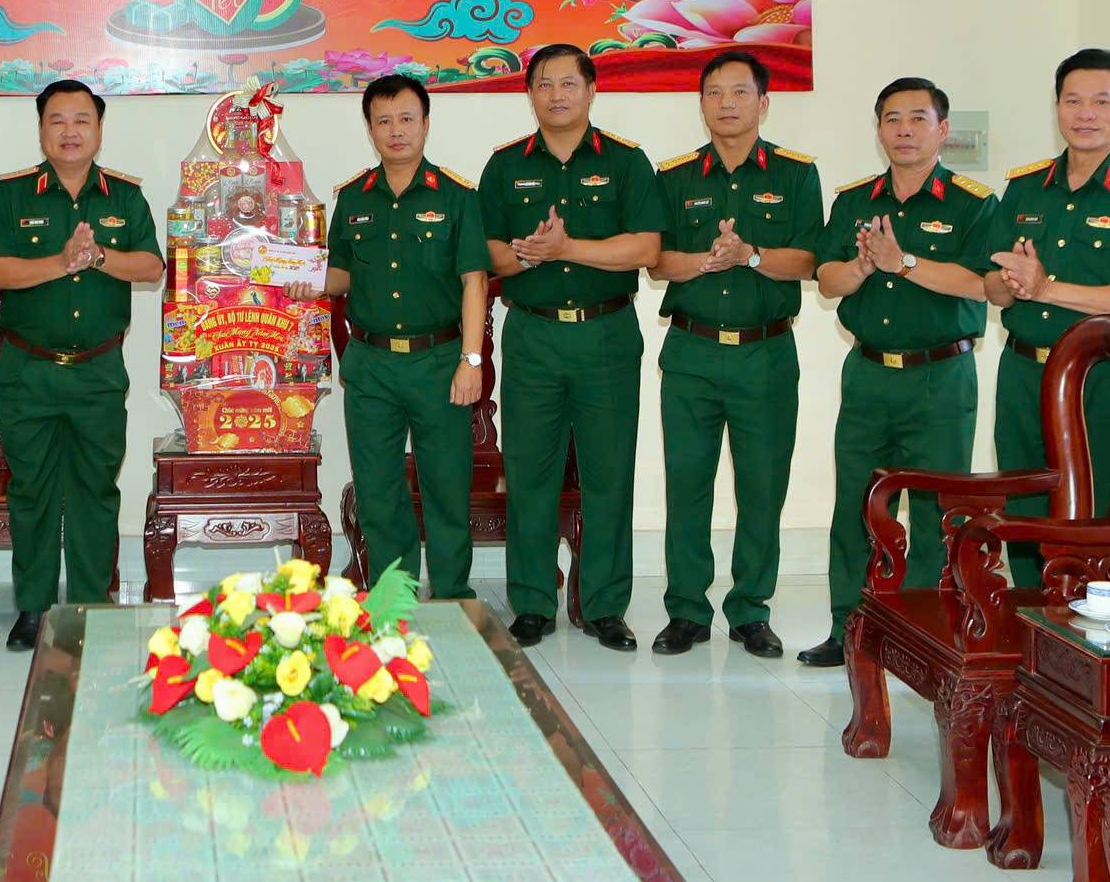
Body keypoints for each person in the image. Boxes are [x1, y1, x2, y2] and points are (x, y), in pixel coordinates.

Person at [801, 77, 999, 668]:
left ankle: (924, 634)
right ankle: (850, 627)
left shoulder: (973, 203)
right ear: (879, 130)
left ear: (943, 129)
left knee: (937, 510)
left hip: (941, 377)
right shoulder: (854, 200)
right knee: (857, 504)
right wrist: (863, 268)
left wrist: (904, 262)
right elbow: (827, 281)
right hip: (868, 375)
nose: (904, 130)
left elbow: (982, 285)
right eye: (892, 119)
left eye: (918, 119)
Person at [478, 44, 660, 650]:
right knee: (530, 473)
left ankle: (604, 606)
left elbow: (646, 249)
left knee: (609, 473)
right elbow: (488, 253)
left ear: (591, 90)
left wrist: (567, 249)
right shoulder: (505, 165)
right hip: (533, 334)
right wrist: (529, 255)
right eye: (544, 84)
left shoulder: (627, 162)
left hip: (606, 334)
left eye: (568, 83)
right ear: (529, 93)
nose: (556, 95)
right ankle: (533, 603)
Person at [986, 47, 1110, 586]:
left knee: (1097, 515)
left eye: (1101, 102)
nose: (1086, 114)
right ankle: (1030, 621)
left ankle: (1090, 630)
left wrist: (1046, 288)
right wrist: (1008, 284)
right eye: (1073, 101)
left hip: (1105, 378)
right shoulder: (1025, 187)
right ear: (1057, 107)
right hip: (1024, 373)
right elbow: (996, 286)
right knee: (1025, 507)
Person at [0, 79, 162, 651]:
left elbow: (152, 266)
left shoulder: (124, 197)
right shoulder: (12, 195)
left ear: (99, 129)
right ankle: (33, 609)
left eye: (82, 120)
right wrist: (61, 263)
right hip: (28, 371)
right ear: (41, 130)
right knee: (31, 492)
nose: (70, 131)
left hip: (97, 373)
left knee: (94, 492)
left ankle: (88, 608)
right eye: (57, 120)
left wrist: (99, 256)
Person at [650, 49, 822, 659]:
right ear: (701, 104)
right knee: (687, 485)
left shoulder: (796, 175)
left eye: (740, 92)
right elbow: (656, 260)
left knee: (762, 488)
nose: (727, 104)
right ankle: (686, 611)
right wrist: (708, 261)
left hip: (765, 355)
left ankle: (751, 609)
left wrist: (750, 255)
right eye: (715, 93)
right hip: (691, 353)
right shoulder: (675, 177)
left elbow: (810, 261)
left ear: (764, 103)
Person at [289, 75, 488, 603]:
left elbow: (475, 281)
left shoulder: (458, 197)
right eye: (384, 121)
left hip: (440, 362)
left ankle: (451, 595)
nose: (396, 131)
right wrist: (304, 278)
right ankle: (393, 597)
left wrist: (471, 361)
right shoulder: (353, 197)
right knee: (378, 491)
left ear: (425, 124)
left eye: (406, 119)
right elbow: (341, 275)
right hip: (371, 364)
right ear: (370, 129)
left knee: (446, 486)